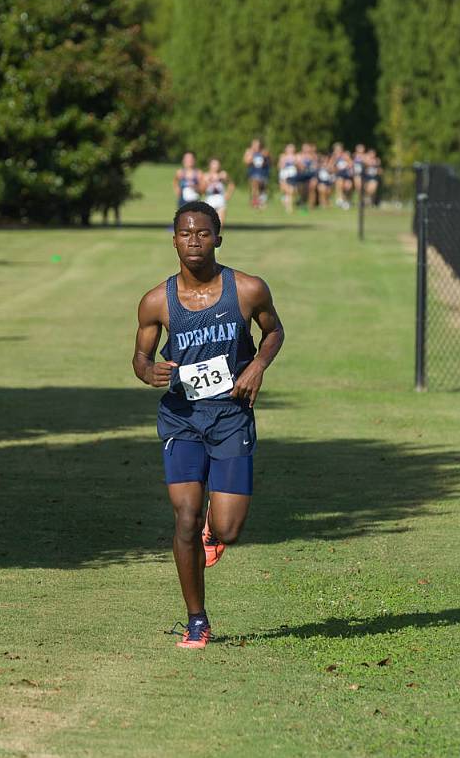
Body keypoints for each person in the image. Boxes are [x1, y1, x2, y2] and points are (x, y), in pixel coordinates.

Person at [131, 201, 285, 649]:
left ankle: (213, 534)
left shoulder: (248, 289)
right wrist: (146, 372)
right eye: (185, 233)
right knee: (184, 516)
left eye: (202, 233)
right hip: (181, 417)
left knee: (229, 528)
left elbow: (274, 331)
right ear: (174, 239)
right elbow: (141, 356)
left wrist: (257, 366)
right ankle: (196, 620)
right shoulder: (157, 301)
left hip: (230, 415)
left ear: (218, 237)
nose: (193, 240)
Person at [201, 158, 234, 227]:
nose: (215, 166)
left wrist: (228, 194)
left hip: (220, 199)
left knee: (220, 224)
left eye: (217, 164)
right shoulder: (205, 175)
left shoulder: (223, 174)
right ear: (209, 165)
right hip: (210, 200)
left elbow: (231, 184)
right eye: (214, 164)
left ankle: (217, 237)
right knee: (208, 224)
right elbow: (202, 190)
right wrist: (208, 182)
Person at [242, 139, 270, 209]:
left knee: (262, 189)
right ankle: (255, 202)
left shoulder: (264, 151)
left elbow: (269, 160)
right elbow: (246, 162)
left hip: (263, 173)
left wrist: (265, 156)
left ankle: (259, 202)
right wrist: (252, 157)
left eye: (257, 145)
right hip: (253, 173)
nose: (256, 146)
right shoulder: (249, 152)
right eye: (254, 145)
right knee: (254, 186)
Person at [277, 143, 299, 214]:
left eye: (292, 148)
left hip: (293, 176)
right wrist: (285, 161)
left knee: (292, 191)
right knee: (288, 191)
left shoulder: (296, 156)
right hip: (284, 176)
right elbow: (280, 166)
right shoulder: (283, 156)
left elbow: (299, 167)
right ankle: (289, 208)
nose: (291, 150)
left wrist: (296, 163)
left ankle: (289, 207)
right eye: (289, 148)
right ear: (286, 149)